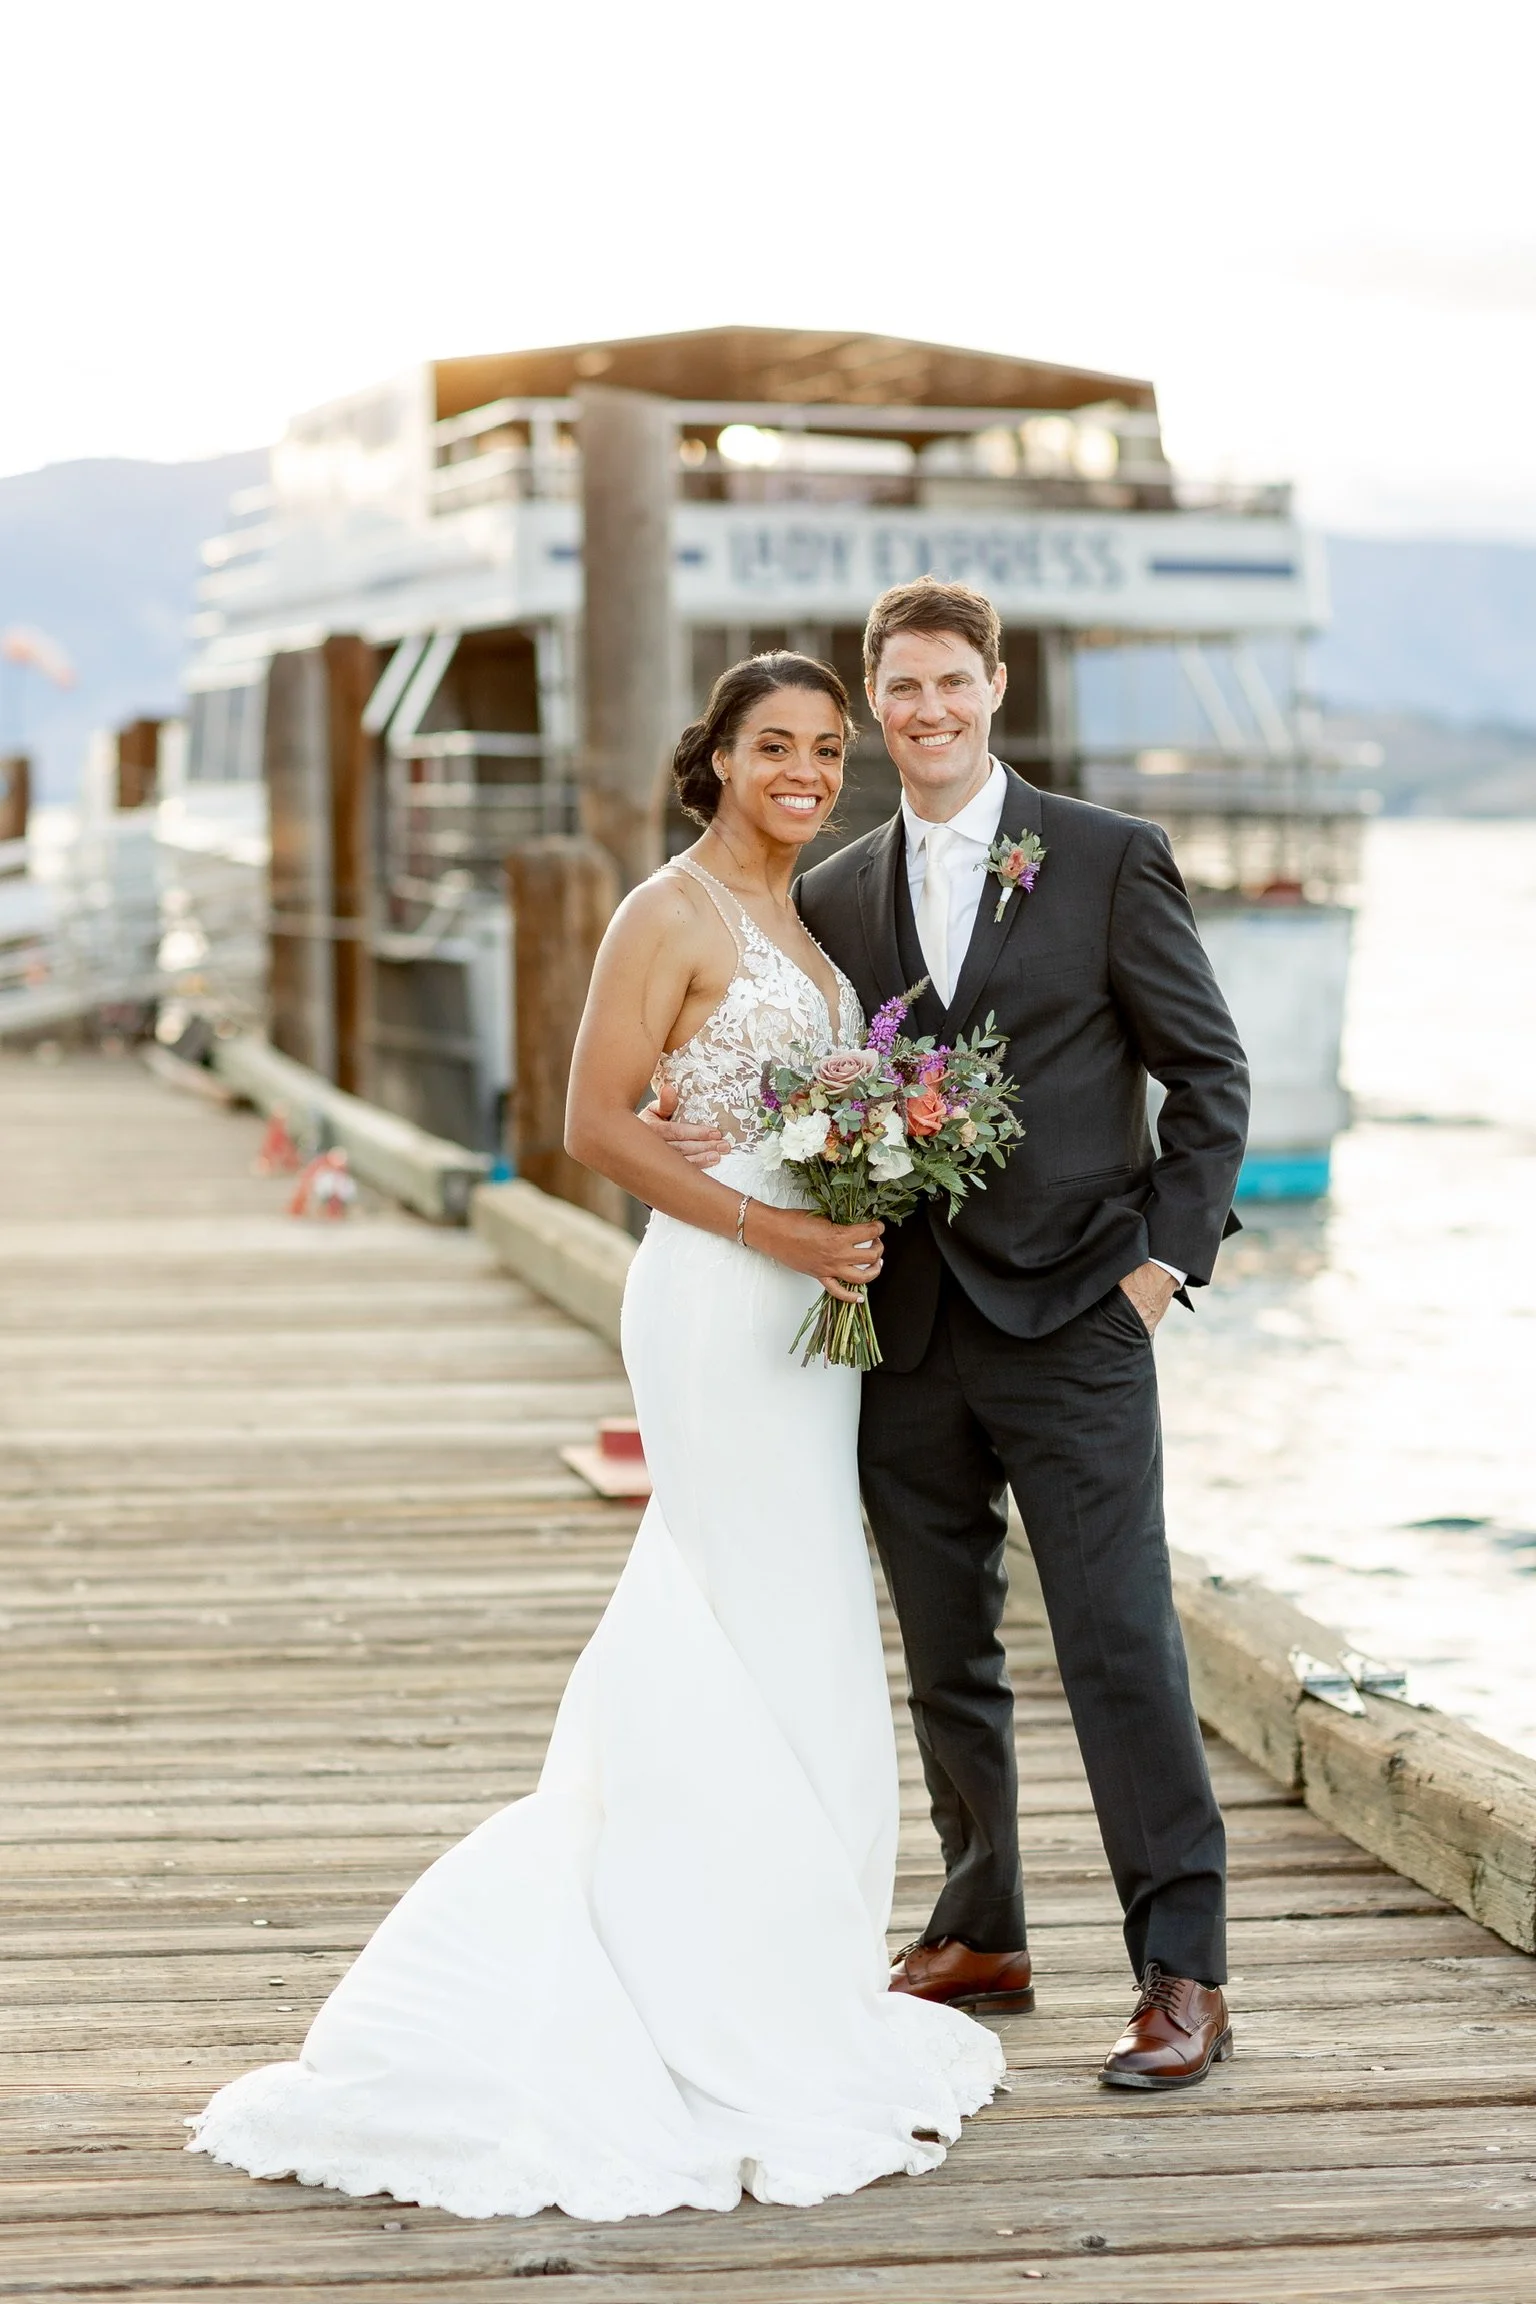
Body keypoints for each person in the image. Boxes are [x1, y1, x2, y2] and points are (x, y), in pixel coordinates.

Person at [186, 651, 1004, 2222]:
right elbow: (592, 1122)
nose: (808, 770)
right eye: (777, 744)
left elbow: (785, 1099)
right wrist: (779, 1233)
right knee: (725, 1599)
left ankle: (782, 1958)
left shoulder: (805, 919)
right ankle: (680, 1969)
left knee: (802, 1614)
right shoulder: (670, 910)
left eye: (829, 749)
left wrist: (863, 1177)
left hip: (804, 1305)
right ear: (715, 759)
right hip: (716, 1302)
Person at [653, 579, 1249, 2089]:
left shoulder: (1110, 858)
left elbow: (1210, 1075)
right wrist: (694, 1121)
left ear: (994, 687)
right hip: (900, 1329)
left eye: (950, 685)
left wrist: (1161, 1271)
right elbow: (795, 1078)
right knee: (944, 1651)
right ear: (877, 699)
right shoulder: (836, 891)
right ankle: (981, 1926)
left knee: (1121, 1644)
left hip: (1078, 1319)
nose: (926, 713)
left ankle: (1184, 1972)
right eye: (899, 691)